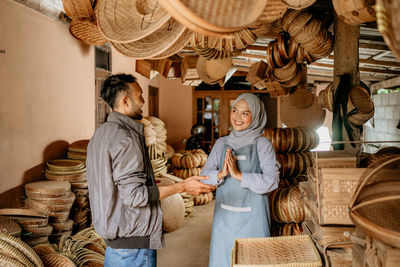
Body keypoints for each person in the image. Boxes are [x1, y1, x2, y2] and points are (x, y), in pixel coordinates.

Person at [86, 73, 216, 267]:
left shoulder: (100, 135)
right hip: (133, 245)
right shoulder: (126, 138)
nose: (143, 101)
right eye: (139, 95)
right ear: (125, 100)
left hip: (116, 244)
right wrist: (182, 187)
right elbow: (135, 196)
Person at [201, 93, 280, 267]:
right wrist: (221, 174)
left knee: (253, 261)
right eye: (235, 110)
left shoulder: (263, 145)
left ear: (256, 116)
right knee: (224, 260)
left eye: (245, 113)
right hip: (224, 219)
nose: (237, 117)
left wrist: (238, 175)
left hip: (254, 221)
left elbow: (272, 181)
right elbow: (204, 177)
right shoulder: (221, 143)